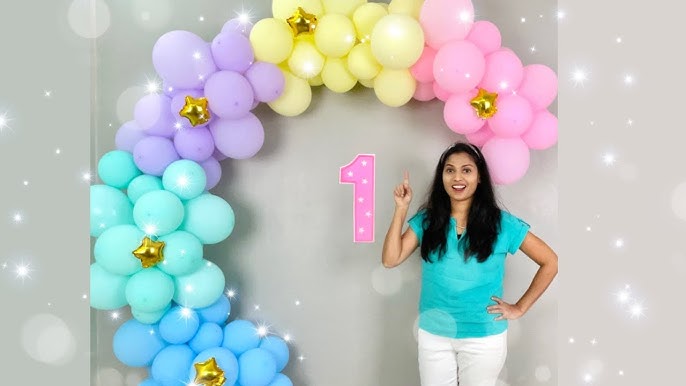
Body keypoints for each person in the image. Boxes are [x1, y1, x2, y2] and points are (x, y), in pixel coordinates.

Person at [381, 142, 558, 386]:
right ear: (442, 177)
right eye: (450, 170)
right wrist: (401, 209)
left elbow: (550, 261)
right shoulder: (428, 220)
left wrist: (520, 307)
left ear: (479, 178)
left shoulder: (502, 224)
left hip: (482, 338)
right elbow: (391, 259)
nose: (457, 177)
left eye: (466, 170)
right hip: (434, 335)